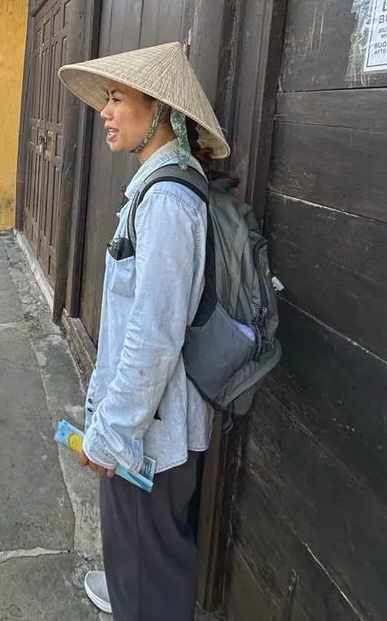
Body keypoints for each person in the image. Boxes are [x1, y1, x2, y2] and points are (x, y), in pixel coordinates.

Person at [57, 42, 232, 621]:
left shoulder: (168, 202)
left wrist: (113, 433)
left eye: (117, 98)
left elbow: (155, 335)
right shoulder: (157, 192)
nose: (105, 111)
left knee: (149, 568)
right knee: (142, 558)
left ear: (159, 110)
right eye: (105, 99)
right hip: (147, 426)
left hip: (151, 437)